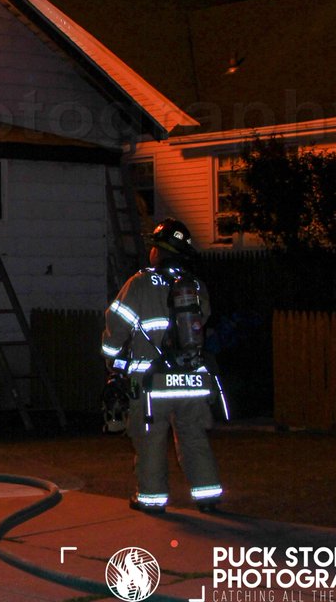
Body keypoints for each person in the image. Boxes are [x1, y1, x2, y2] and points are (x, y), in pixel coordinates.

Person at [101, 219, 224, 514]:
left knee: (150, 440)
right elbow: (201, 320)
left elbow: (116, 325)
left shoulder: (139, 283)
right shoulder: (193, 285)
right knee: (193, 436)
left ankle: (152, 500)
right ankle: (207, 496)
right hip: (192, 380)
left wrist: (112, 362)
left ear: (159, 251)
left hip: (151, 384)